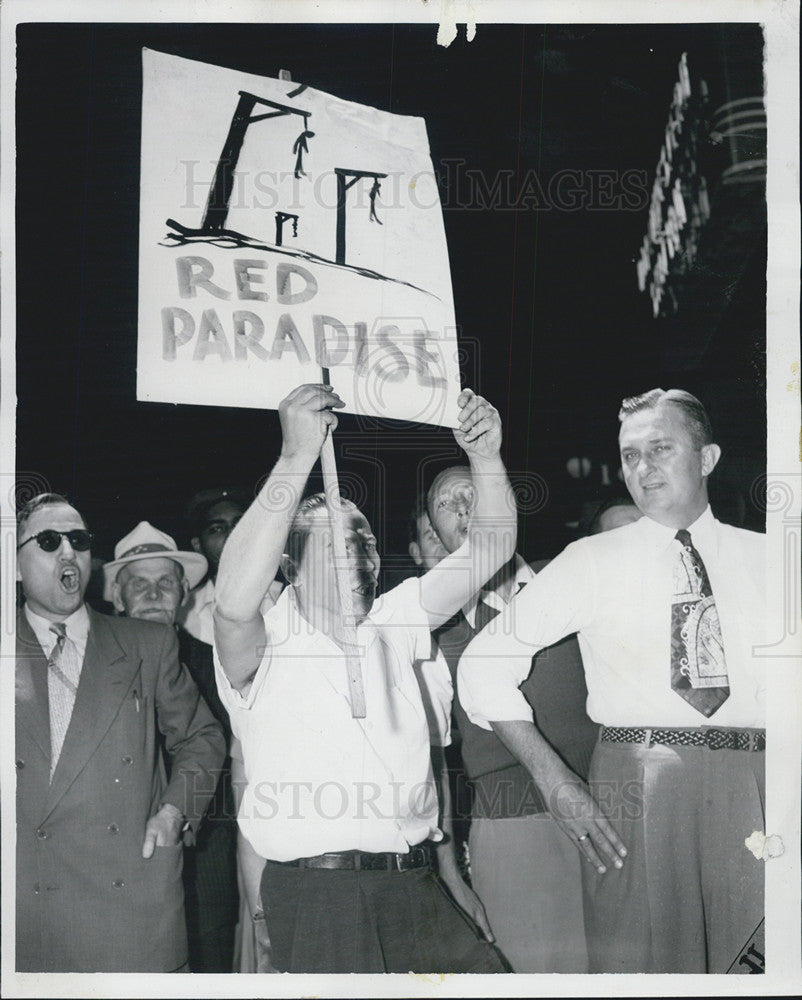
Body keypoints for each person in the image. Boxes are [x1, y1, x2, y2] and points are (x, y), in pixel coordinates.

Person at [459, 389, 766, 974]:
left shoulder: (773, 560)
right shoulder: (590, 560)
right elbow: (483, 664)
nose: (642, 468)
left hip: (757, 783)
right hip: (638, 786)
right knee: (644, 968)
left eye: (660, 449)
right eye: (629, 456)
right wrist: (554, 782)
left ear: (707, 458)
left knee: (761, 962)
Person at [213, 383, 516, 973]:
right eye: (337, 542)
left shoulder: (396, 619)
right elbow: (231, 600)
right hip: (324, 896)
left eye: (368, 539)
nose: (362, 552)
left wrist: (485, 456)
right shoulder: (263, 644)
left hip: (414, 884)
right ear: (291, 566)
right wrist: (296, 457)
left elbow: (493, 546)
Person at [15, 494, 225, 973]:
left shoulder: (146, 644)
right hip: (24, 901)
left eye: (80, 540)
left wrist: (175, 811)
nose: (68, 552)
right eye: (49, 541)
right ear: (17, 562)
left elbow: (202, 738)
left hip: (130, 903)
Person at [424, 465, 599, 972]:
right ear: (433, 534)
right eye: (446, 503)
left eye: (473, 494)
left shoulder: (569, 579)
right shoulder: (426, 630)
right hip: (512, 829)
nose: (463, 508)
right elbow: (430, 760)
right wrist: (451, 872)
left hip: (616, 807)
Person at [103, 520, 239, 973]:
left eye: (165, 583)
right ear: (117, 597)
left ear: (184, 593)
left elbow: (226, 761)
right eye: (138, 584)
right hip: (109, 870)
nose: (153, 593)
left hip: (205, 869)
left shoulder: (216, 661)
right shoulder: (87, 667)